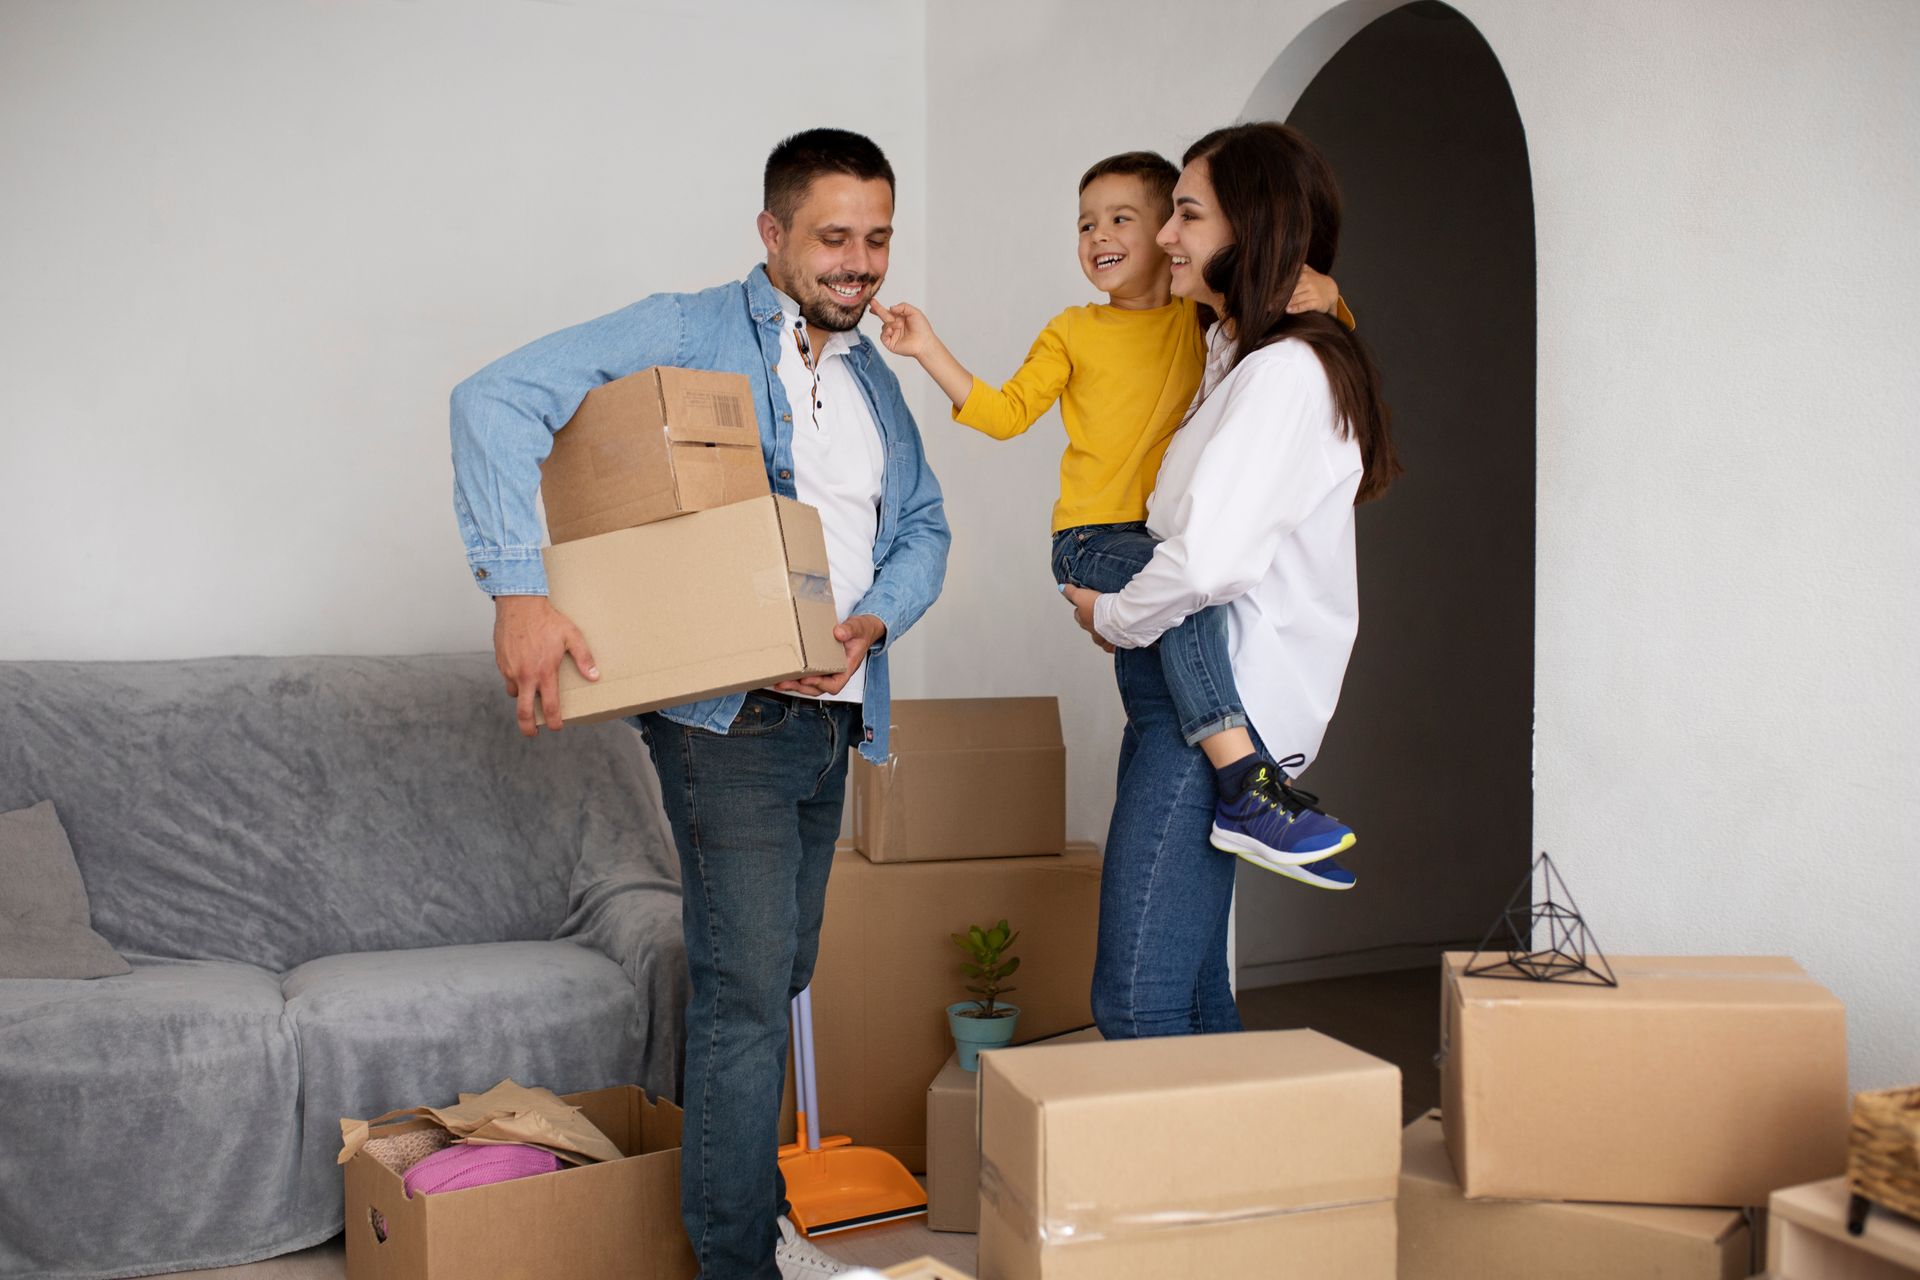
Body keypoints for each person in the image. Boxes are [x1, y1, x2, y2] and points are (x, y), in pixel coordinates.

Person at [449, 128, 949, 1280]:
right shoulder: (689, 328)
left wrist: (871, 621)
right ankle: (737, 1259)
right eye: (833, 237)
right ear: (771, 234)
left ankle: (747, 1225)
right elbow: (493, 399)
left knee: (773, 976)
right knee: (744, 996)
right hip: (730, 723)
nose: (859, 264)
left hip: (836, 718)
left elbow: (925, 523)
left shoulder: (872, 373)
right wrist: (519, 590)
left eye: (876, 239)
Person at [870, 151, 1360, 884]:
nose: (1099, 234)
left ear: (1170, 231)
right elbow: (1005, 414)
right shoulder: (1073, 330)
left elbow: (1293, 319)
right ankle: (1245, 784)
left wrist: (1328, 288)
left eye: (1124, 218)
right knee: (1190, 603)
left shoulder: (1203, 326)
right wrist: (928, 349)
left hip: (1155, 544)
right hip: (1092, 541)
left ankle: (1243, 797)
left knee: (1186, 606)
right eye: (1085, 223)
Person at [1061, 121, 1401, 1035]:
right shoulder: (1239, 353)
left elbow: (1209, 560)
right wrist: (1326, 297)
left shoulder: (1285, 374)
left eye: (1186, 214)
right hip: (1181, 703)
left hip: (1215, 714)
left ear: (1249, 228)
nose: (1164, 236)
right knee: (1197, 990)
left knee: (1136, 996)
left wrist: (1117, 615)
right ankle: (1224, 1176)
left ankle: (1163, 1181)